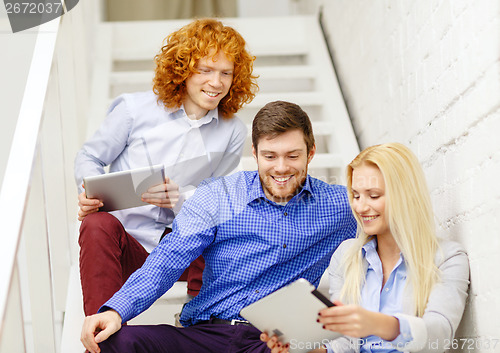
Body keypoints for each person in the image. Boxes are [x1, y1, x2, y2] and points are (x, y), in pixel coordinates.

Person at [79, 100, 358, 353]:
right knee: (115, 343)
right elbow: (168, 258)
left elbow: (389, 218)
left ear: (311, 153)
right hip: (207, 333)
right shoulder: (218, 195)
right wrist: (116, 310)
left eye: (292, 156)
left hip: (274, 343)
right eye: (270, 156)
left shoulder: (342, 206)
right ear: (255, 152)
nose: (281, 167)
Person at [74, 18, 258, 316]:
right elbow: (89, 157)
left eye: (226, 73)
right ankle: (101, 336)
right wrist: (91, 193)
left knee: (224, 220)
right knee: (96, 224)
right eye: (206, 70)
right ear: (183, 70)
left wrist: (180, 200)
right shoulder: (134, 110)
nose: (217, 82)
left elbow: (216, 200)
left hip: (180, 251)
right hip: (126, 246)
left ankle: (204, 328)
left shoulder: (233, 132)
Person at [262, 142, 470, 353]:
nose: (360, 207)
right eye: (356, 195)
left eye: (373, 195)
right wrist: (301, 350)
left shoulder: (447, 258)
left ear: (405, 196)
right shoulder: (346, 255)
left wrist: (375, 323)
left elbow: (439, 335)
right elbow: (343, 345)